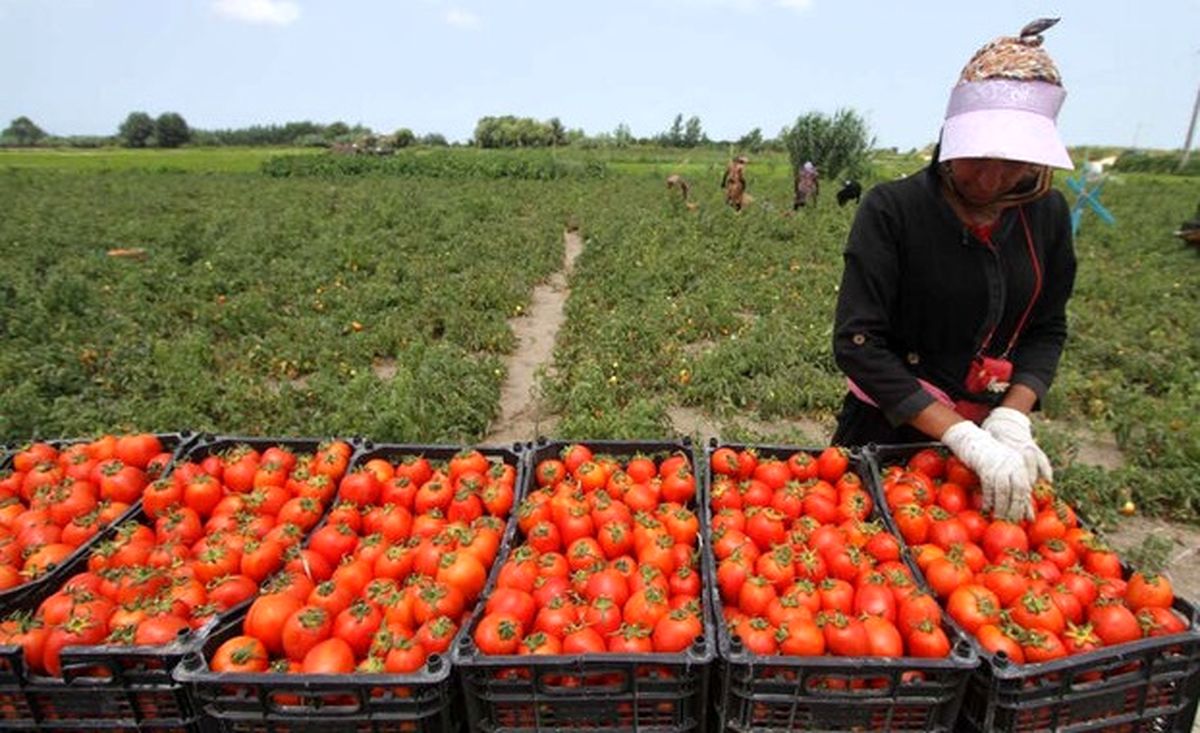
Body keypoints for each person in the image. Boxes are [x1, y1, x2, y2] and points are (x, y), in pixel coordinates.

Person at [831, 19, 1076, 521]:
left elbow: (1046, 328)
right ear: (950, 137)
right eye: (977, 157)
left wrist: (1011, 415)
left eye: (1013, 163)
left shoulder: (1046, 216)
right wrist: (961, 435)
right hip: (885, 426)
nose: (990, 178)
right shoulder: (893, 210)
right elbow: (857, 343)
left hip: (986, 450)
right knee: (871, 550)